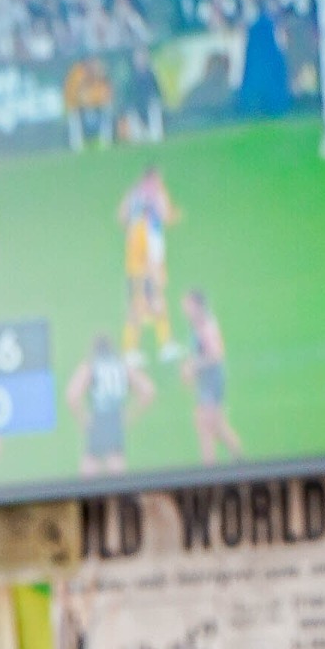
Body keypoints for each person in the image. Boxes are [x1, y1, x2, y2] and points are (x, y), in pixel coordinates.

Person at [119, 166, 181, 361]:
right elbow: (165, 216)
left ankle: (134, 348)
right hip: (145, 265)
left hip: (134, 266)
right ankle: (162, 345)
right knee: (153, 302)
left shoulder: (133, 195)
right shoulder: (155, 198)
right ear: (152, 180)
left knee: (140, 305)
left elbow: (121, 217)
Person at [69, 329, 142, 477]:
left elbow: (72, 394)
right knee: (116, 463)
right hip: (115, 417)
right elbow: (147, 390)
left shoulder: (91, 365)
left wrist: (83, 418)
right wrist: (130, 413)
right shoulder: (121, 365)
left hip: (98, 417)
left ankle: (87, 499)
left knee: (90, 466)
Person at [182, 288, 239, 463]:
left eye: (188, 304)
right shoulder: (197, 324)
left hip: (212, 381)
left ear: (197, 305)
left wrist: (193, 366)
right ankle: (233, 460)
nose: (184, 309)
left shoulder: (206, 325)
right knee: (209, 426)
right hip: (206, 381)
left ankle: (213, 468)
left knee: (211, 426)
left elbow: (215, 354)